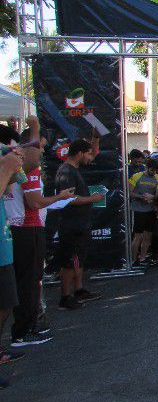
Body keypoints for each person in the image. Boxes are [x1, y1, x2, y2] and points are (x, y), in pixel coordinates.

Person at [6, 125, 74, 346]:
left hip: (22, 228)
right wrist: (59, 197)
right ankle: (23, 330)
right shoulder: (26, 168)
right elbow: (34, 202)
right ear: (29, 147)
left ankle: (25, 327)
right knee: (29, 281)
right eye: (41, 147)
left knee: (28, 280)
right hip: (27, 228)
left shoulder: (15, 167)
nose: (43, 152)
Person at [54, 138, 104, 310]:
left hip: (80, 225)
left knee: (78, 260)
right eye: (89, 154)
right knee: (69, 262)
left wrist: (95, 137)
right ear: (80, 153)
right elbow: (68, 198)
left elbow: (94, 153)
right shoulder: (66, 172)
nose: (91, 158)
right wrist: (93, 198)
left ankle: (79, 290)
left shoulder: (74, 169)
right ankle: (65, 297)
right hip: (71, 226)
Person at [0, 147, 26, 389]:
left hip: (4, 248)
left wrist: (12, 169)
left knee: (6, 306)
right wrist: (7, 167)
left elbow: (12, 186)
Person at [129, 158, 158, 267]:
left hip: (150, 210)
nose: (153, 173)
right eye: (152, 170)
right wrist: (141, 197)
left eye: (155, 171)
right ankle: (133, 260)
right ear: (147, 168)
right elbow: (130, 193)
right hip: (138, 210)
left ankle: (143, 258)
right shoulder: (137, 176)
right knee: (137, 236)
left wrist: (153, 198)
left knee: (148, 236)